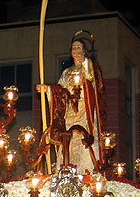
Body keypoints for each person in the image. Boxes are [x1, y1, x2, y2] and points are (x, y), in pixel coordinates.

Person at [36, 31, 106, 173]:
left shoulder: (90, 66)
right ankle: (66, 166)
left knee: (82, 134)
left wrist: (85, 65)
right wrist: (48, 89)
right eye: (73, 48)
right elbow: (61, 89)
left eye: (79, 48)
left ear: (85, 51)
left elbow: (95, 84)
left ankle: (86, 167)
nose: (76, 51)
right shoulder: (67, 72)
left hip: (84, 107)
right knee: (68, 134)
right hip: (69, 109)